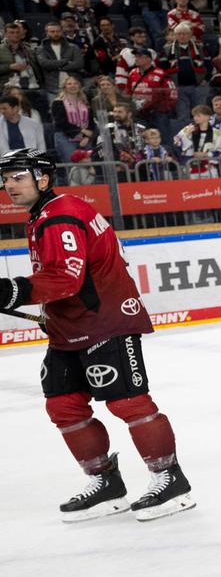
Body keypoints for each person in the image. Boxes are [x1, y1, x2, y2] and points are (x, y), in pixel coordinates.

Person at [0, 148, 192, 521]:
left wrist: (11, 290)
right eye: (5, 178)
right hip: (69, 325)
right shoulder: (46, 213)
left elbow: (66, 278)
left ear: (42, 178)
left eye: (17, 177)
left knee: (128, 403)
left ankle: (170, 479)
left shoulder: (61, 215)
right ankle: (107, 483)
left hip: (106, 320)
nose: (8, 185)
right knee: (64, 405)